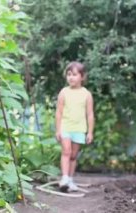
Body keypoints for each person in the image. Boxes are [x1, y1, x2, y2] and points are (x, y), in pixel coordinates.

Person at [55, 61, 94, 192]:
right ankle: (64, 178)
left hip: (79, 129)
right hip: (65, 127)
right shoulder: (64, 92)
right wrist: (58, 130)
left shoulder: (86, 94)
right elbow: (59, 112)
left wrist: (90, 132)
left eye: (75, 74)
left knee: (73, 156)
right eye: (69, 74)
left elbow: (90, 114)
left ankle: (70, 180)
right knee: (66, 152)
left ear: (82, 77)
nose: (71, 77)